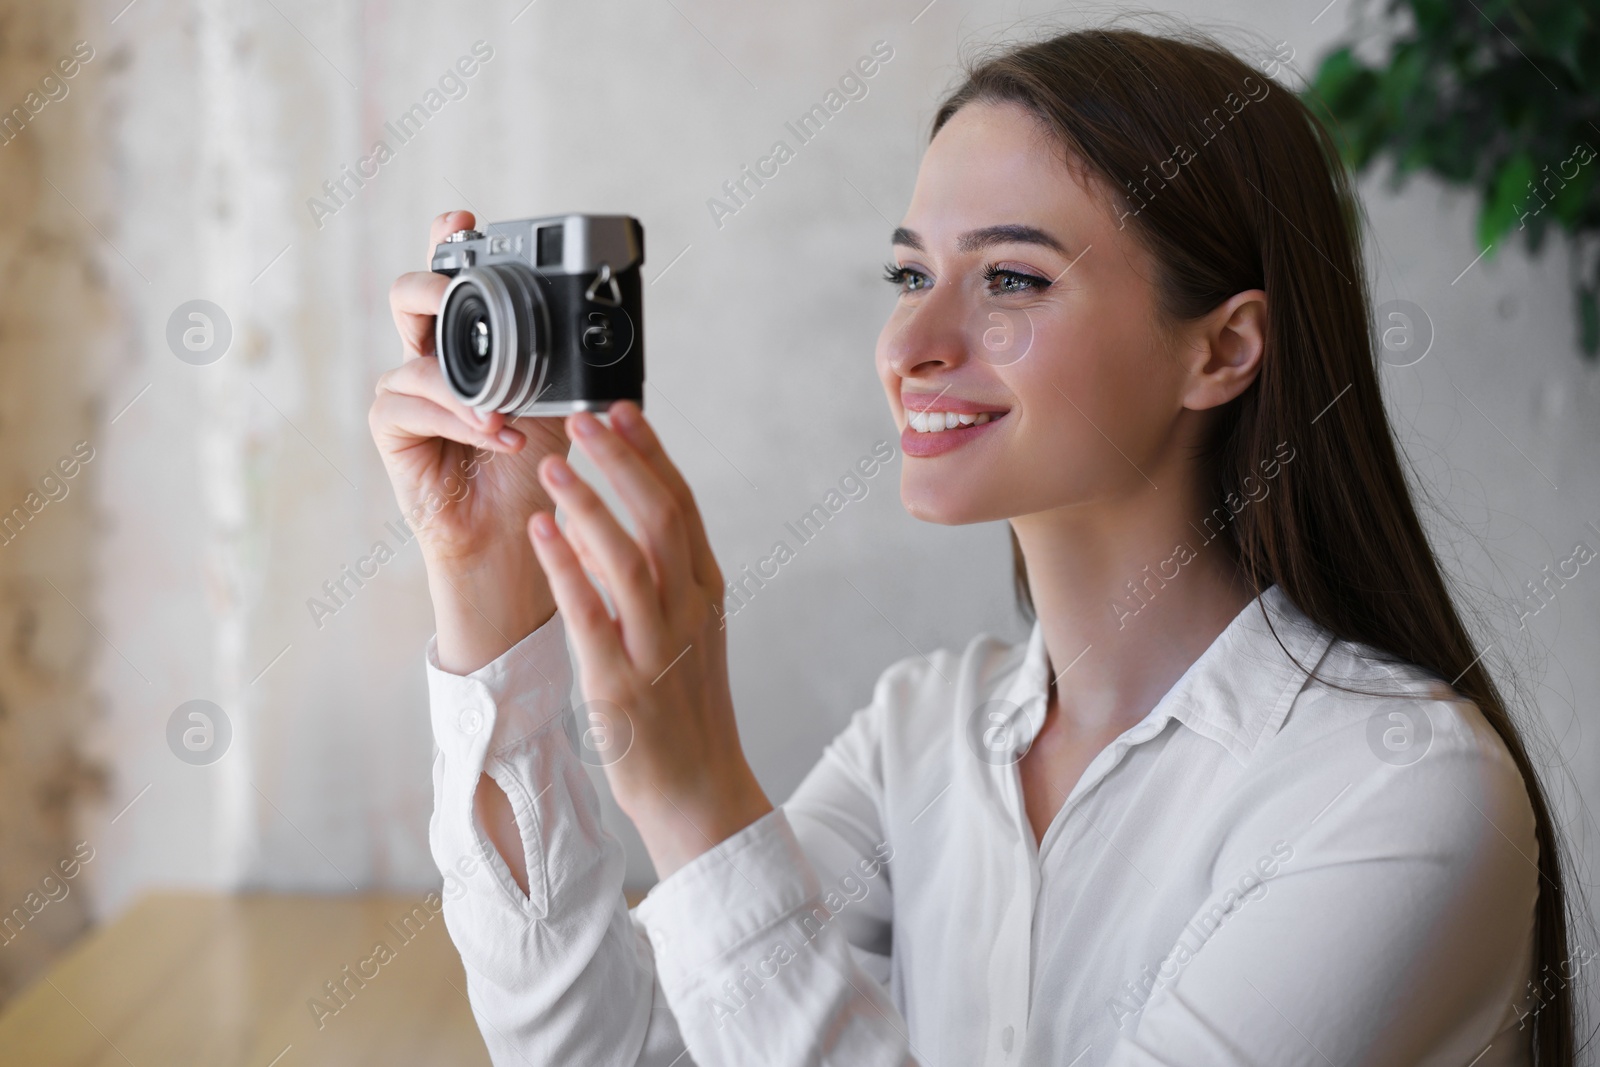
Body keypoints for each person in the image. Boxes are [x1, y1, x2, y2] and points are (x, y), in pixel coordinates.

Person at [369, 25, 1577, 1067]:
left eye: (1009, 277)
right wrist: (485, 585)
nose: (911, 342)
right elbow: (615, 1049)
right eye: (909, 272)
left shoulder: (1399, 787)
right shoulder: (918, 739)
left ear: (1222, 348)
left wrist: (698, 804)